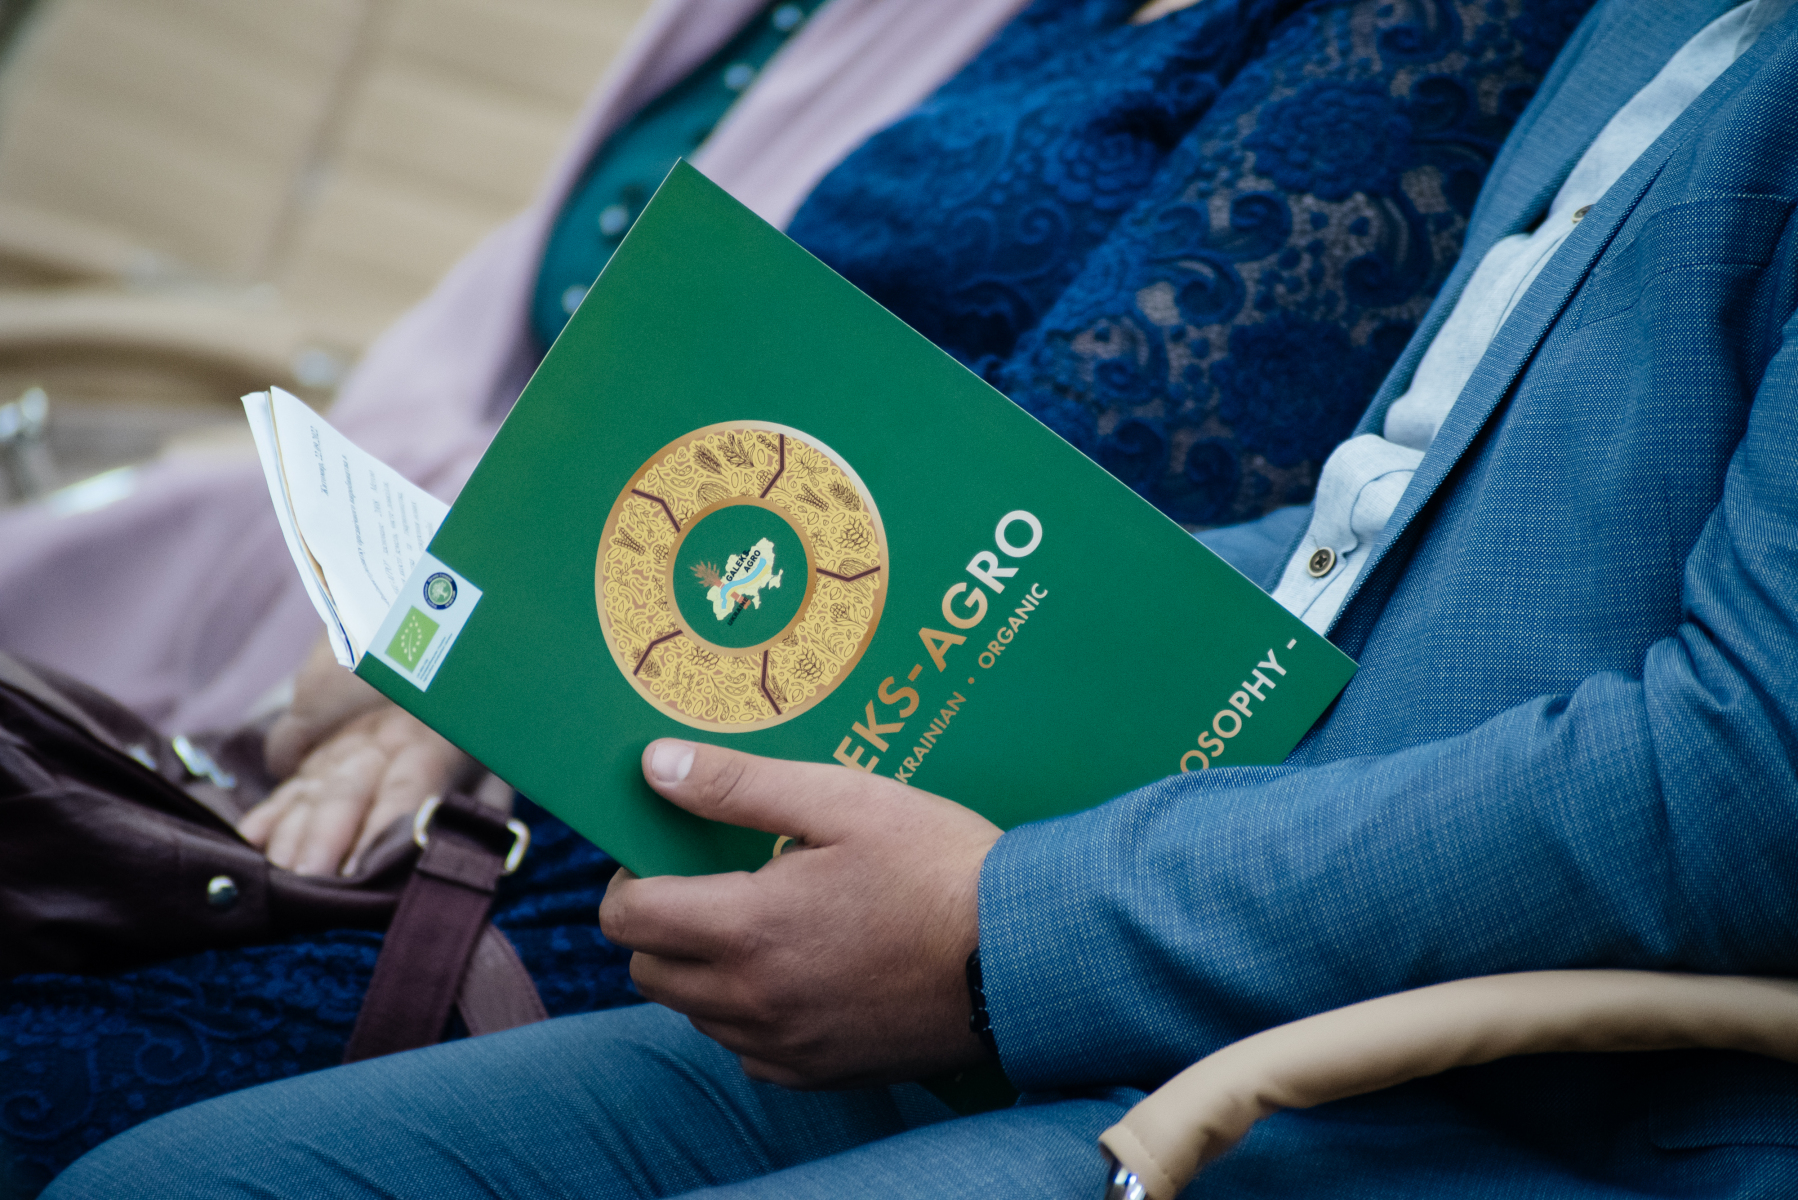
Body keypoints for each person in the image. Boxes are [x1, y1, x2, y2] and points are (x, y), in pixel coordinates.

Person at [37, 0, 1798, 1196]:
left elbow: (1742, 778)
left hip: (1523, 1072)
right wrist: (539, 631)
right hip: (1137, 873)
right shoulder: (1649, 28)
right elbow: (1377, 529)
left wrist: (998, 933)